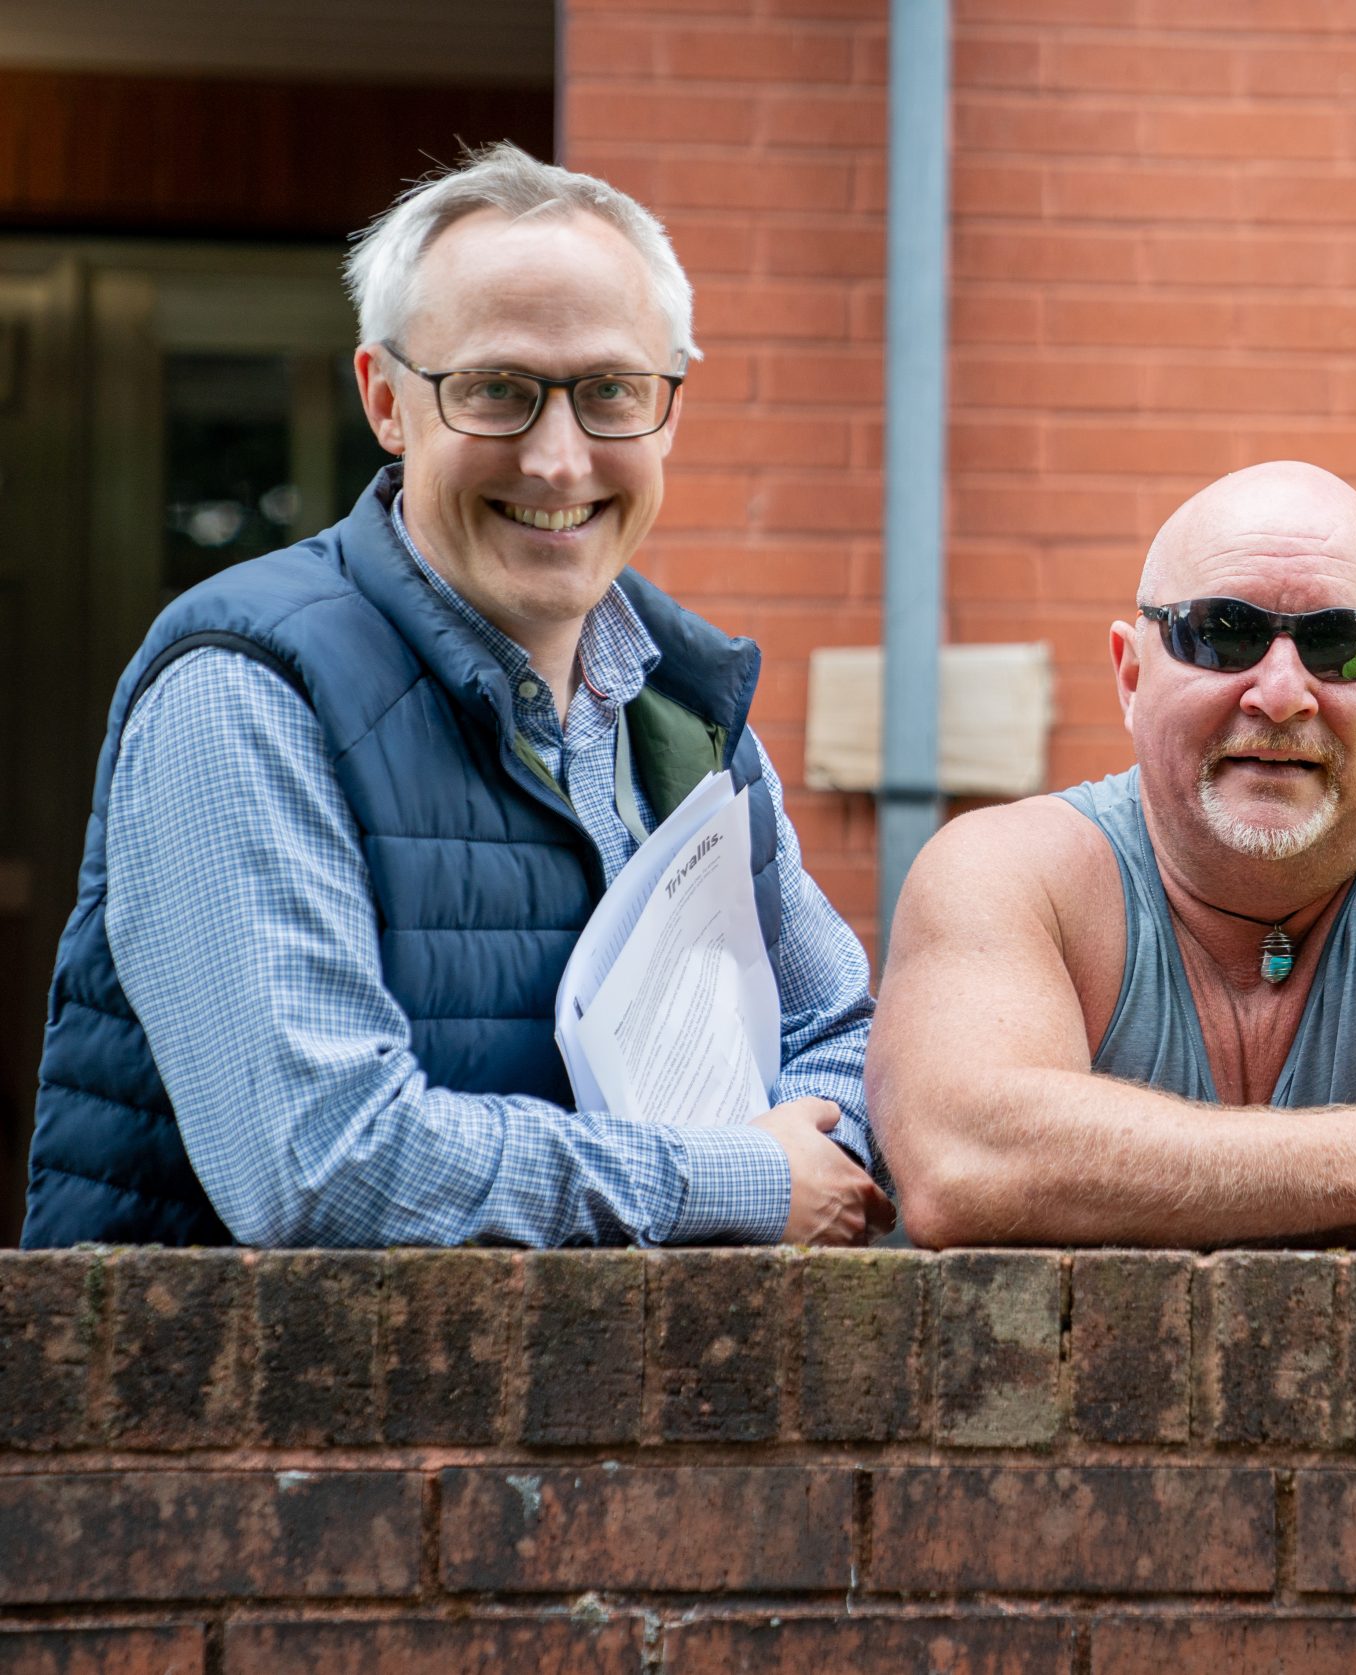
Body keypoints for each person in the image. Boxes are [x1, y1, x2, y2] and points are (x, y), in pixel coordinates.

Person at [22, 144, 888, 1249]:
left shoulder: (683, 708)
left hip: (616, 1411)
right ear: (386, 399)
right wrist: (738, 1183)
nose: (560, 460)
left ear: (668, 410)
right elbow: (325, 1164)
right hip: (269, 1420)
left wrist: (810, 1154)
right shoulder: (244, 696)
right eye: (497, 392)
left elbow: (848, 1039)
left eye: (612, 391)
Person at [868, 461, 1356, 1250]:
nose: (1280, 693)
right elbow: (962, 1166)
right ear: (1132, 675)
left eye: (1342, 643)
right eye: (1221, 634)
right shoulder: (1011, 871)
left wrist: (1101, 1172)